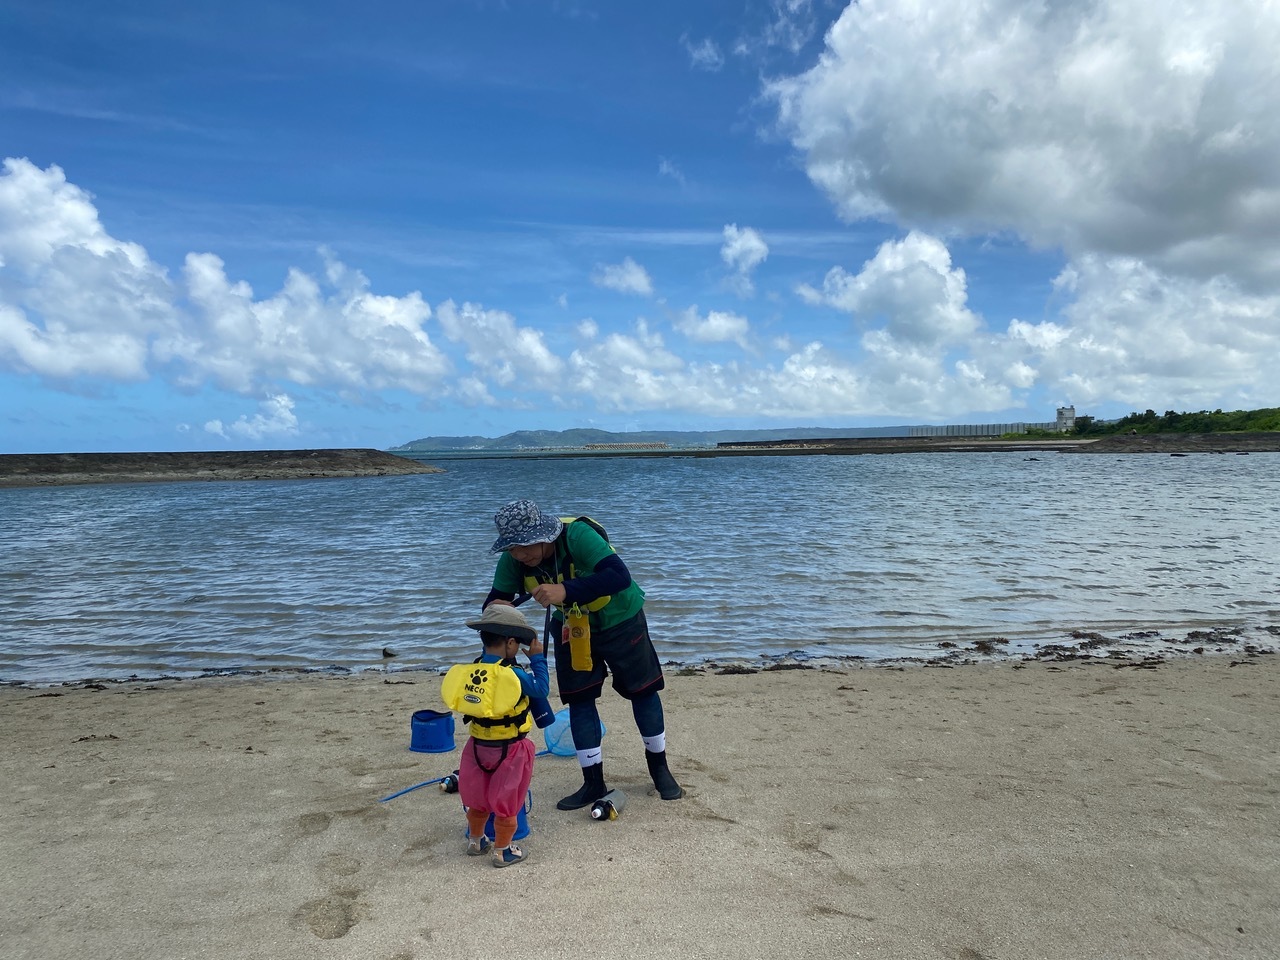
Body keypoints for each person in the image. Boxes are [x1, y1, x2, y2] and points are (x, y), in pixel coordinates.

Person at [483, 499, 682, 811]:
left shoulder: (577, 536)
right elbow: (496, 599)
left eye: (525, 545)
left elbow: (619, 576)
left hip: (620, 617)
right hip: (570, 629)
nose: (520, 554)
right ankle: (592, 781)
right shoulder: (514, 560)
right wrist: (496, 610)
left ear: (544, 534)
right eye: (512, 548)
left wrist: (565, 591)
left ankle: (660, 770)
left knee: (643, 692)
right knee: (579, 699)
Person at [440, 603, 549, 867]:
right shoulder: (515, 674)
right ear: (511, 643)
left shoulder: (473, 670)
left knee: (477, 799)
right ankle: (503, 851)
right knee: (508, 801)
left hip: (476, 747)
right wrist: (537, 658)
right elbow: (542, 689)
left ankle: (476, 842)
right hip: (510, 749)